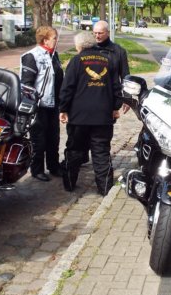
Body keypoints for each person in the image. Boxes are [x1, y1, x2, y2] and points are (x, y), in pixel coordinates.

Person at [59, 31, 123, 196]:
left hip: (79, 116)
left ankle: (69, 184)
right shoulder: (108, 60)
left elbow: (67, 88)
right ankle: (105, 188)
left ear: (79, 46)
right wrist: (116, 107)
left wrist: (63, 109)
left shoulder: (76, 61)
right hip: (102, 116)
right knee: (101, 152)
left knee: (74, 150)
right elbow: (117, 87)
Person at [20, 25, 64, 182]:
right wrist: (34, 100)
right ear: (45, 40)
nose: (57, 41)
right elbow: (26, 84)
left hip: (54, 104)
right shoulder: (31, 56)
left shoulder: (54, 55)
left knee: (54, 138)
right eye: (54, 38)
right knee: (39, 139)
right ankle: (37, 169)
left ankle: (54, 166)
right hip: (39, 106)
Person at [93, 20, 130, 113]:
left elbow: (125, 75)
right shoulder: (89, 49)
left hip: (111, 97)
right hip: (92, 96)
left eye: (100, 33)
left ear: (108, 33)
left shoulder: (119, 51)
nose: (97, 36)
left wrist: (127, 97)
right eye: (95, 33)